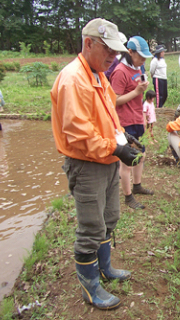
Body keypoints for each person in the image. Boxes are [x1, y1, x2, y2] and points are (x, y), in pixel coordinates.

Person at [51, 18, 143, 310]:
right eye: (108, 50)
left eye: (116, 52)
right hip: (87, 163)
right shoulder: (73, 79)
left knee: (110, 217)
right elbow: (79, 134)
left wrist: (123, 136)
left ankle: (105, 268)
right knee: (91, 227)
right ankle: (90, 286)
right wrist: (115, 147)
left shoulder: (100, 75)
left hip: (107, 159)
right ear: (89, 43)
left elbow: (107, 114)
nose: (113, 57)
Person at [110, 36, 154, 210]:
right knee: (127, 161)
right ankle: (128, 197)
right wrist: (137, 91)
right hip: (125, 122)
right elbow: (114, 101)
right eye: (140, 56)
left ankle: (137, 186)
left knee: (141, 154)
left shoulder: (138, 66)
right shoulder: (120, 71)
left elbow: (139, 93)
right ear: (130, 52)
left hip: (137, 118)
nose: (143, 60)